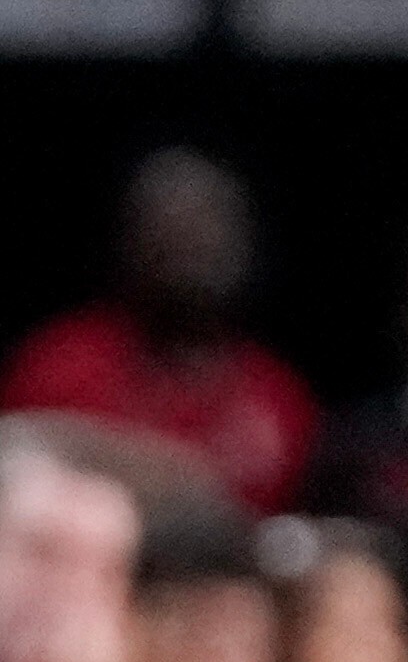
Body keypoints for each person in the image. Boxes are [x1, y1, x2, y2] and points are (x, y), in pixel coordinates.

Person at [2, 153, 318, 516]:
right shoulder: (58, 364)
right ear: (128, 241)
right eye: (170, 228)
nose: (191, 247)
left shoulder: (280, 400)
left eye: (209, 226)